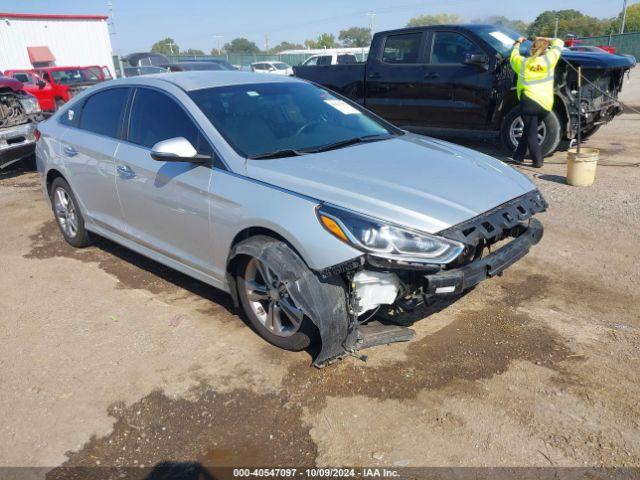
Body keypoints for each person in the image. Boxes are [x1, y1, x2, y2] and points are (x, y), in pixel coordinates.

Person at [510, 35, 564, 167]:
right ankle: (518, 156)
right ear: (546, 49)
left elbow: (513, 55)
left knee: (531, 132)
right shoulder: (549, 60)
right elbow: (560, 42)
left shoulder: (523, 63)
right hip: (544, 104)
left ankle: (537, 160)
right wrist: (546, 38)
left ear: (532, 49)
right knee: (529, 129)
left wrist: (518, 42)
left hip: (529, 102)